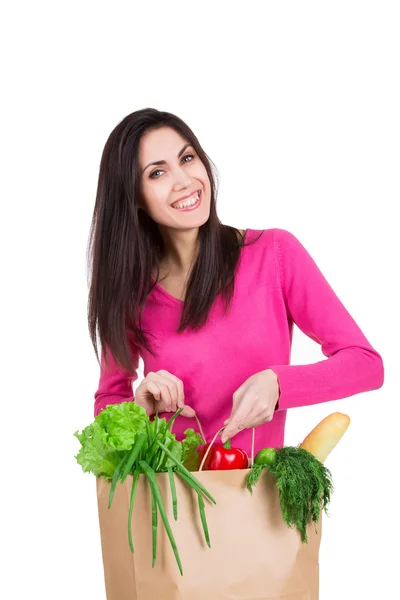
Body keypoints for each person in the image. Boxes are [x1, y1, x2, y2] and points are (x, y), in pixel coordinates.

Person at [88, 108, 384, 455]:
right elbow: (110, 397)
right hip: (167, 499)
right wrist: (138, 411)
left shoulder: (273, 254)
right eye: (157, 173)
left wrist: (279, 384)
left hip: (255, 501)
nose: (184, 180)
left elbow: (366, 364)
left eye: (187, 158)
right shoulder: (130, 291)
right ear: (133, 197)